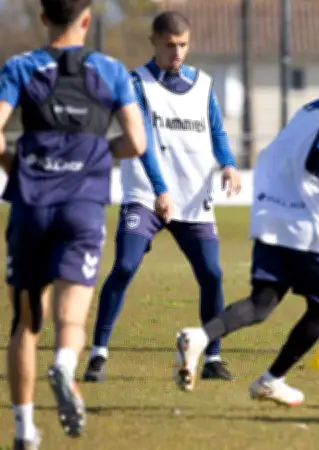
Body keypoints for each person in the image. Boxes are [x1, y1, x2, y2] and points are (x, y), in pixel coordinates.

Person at [171, 54, 319, 406]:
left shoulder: (310, 110)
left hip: (272, 220)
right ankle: (271, 380)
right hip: (312, 231)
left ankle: (199, 337)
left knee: (261, 303)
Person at [0, 0, 147, 446]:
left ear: (43, 18)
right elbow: (137, 142)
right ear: (86, 20)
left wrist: (19, 166)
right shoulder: (113, 71)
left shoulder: (19, 68)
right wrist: (99, 158)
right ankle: (65, 363)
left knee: (25, 322)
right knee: (72, 314)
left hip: (31, 204)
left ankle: (25, 428)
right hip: (82, 206)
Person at [83, 11, 242, 383]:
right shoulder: (135, 83)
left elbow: (216, 130)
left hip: (193, 198)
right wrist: (160, 190)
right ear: (154, 42)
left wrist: (229, 165)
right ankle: (98, 354)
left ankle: (213, 359)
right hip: (146, 195)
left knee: (213, 275)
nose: (177, 53)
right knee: (124, 266)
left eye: (183, 45)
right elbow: (144, 142)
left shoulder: (203, 83)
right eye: (170, 45)